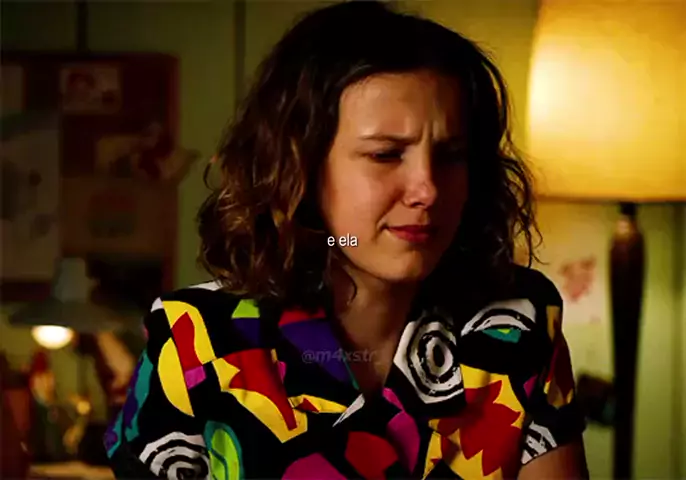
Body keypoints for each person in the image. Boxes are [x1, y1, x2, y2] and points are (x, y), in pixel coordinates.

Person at [104, 1, 589, 478]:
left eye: (451, 155)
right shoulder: (196, 341)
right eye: (385, 155)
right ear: (300, 168)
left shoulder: (517, 325)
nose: (427, 189)